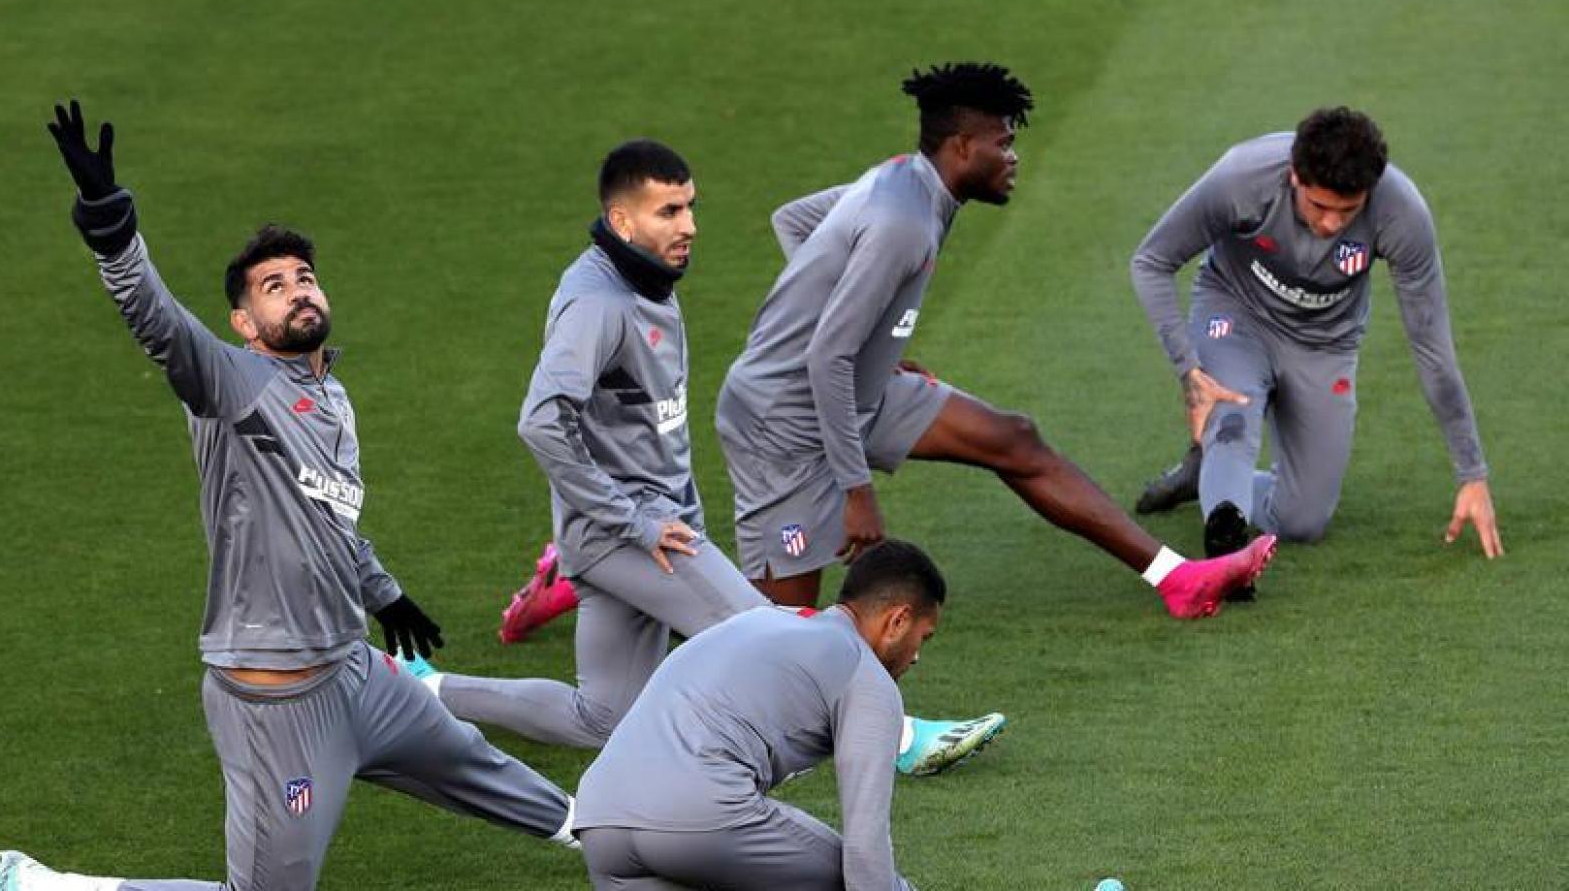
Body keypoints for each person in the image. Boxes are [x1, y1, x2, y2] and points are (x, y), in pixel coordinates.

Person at [0, 101, 579, 891]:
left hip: (355, 673)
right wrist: (111, 230)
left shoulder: (331, 396)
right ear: (244, 321)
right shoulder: (235, 383)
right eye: (273, 286)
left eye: (304, 277)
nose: (296, 290)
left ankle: (612, 831)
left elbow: (329, 518)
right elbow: (158, 325)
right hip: (278, 703)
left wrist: (384, 593)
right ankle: (49, 887)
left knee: (479, 766)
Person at [407, 140, 1002, 777]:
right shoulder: (598, 304)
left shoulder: (647, 279)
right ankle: (903, 739)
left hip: (619, 529)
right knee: (768, 631)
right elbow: (541, 422)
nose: (688, 225)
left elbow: (644, 426)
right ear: (622, 221)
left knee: (603, 715)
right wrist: (631, 520)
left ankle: (424, 690)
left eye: (690, 206)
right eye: (668, 211)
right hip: (634, 534)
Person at [716, 63, 1275, 617]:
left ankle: (1178, 579)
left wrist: (871, 348)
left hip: (851, 391)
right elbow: (826, 355)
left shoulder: (907, 181)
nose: (1014, 158)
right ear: (962, 147)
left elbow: (793, 221)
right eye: (1004, 143)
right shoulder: (902, 221)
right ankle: (671, 617)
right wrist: (857, 491)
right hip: (783, 422)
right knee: (778, 629)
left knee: (1014, 440)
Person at [1128, 107, 1501, 582]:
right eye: (1318, 206)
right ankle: (1225, 550)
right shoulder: (1242, 178)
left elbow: (1432, 348)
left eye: (1348, 211)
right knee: (1234, 420)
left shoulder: (1402, 215)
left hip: (1326, 344)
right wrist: (1189, 371)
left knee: (1304, 521)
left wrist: (1472, 472)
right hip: (1235, 314)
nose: (1330, 224)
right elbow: (1151, 260)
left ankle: (1203, 479)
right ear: (1294, 176)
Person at [573, 540, 951, 891]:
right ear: (897, 621)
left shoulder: (759, 620)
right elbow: (865, 855)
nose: (917, 655)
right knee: (859, 877)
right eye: (924, 637)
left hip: (599, 820)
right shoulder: (865, 675)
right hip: (700, 817)